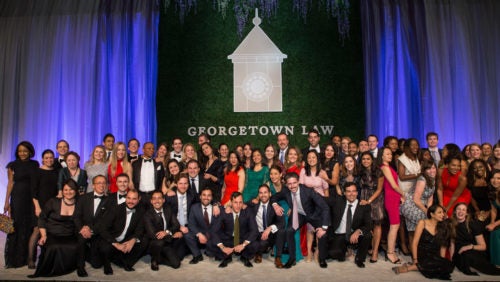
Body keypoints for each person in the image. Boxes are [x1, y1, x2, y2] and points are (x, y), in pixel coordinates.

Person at [271, 172, 330, 268]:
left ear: (298, 182)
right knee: (289, 230)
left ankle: (322, 259)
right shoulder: (285, 191)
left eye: (294, 183)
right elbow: (274, 197)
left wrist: (324, 227)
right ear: (286, 184)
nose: (292, 186)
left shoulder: (308, 191)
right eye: (289, 184)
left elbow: (325, 207)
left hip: (313, 214)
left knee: (322, 234)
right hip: (299, 214)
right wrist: (275, 205)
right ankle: (292, 258)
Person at [28, 179, 80, 278]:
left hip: (69, 234)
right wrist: (43, 235)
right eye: (65, 190)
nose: (68, 192)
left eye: (71, 189)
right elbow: (42, 218)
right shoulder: (53, 201)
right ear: (62, 191)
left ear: (76, 190)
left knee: (75, 246)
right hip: (52, 233)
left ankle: (67, 268)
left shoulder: (80, 203)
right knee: (53, 246)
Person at [392, 204, 454, 280]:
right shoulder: (422, 223)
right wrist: (415, 259)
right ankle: (412, 267)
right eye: (439, 212)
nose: (442, 215)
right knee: (432, 265)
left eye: (443, 212)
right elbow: (415, 243)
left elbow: (443, 246)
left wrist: (441, 260)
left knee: (447, 266)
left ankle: (416, 267)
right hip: (422, 252)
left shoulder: (442, 226)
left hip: (434, 254)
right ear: (432, 214)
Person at [4, 141, 39, 268]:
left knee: (29, 225)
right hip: (17, 197)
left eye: (25, 151)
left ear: (30, 151)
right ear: (17, 152)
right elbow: (10, 184)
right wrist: (6, 201)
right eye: (20, 151)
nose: (22, 153)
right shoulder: (12, 165)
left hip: (30, 198)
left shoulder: (35, 164)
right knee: (16, 226)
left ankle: (27, 258)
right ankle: (15, 259)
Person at [97, 189, 148, 275]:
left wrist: (133, 240)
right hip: (111, 238)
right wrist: (116, 244)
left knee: (144, 240)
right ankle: (107, 264)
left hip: (126, 238)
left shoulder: (141, 211)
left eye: (134, 199)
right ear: (126, 198)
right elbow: (102, 228)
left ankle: (126, 261)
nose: (131, 201)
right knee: (104, 249)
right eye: (129, 198)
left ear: (139, 199)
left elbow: (140, 229)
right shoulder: (115, 209)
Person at [328, 182, 372, 268]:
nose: (351, 194)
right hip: (340, 234)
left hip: (354, 233)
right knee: (333, 254)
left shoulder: (364, 205)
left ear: (357, 192)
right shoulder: (338, 201)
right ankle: (346, 250)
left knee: (368, 235)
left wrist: (358, 231)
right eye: (348, 191)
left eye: (353, 191)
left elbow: (369, 224)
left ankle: (359, 259)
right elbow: (322, 200)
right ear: (344, 193)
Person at [74, 174, 110, 276]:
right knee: (81, 240)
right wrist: (82, 228)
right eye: (99, 183)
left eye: (104, 183)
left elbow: (106, 221)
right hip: (83, 230)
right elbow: (76, 216)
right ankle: (80, 267)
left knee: (97, 264)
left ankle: (90, 253)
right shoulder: (83, 198)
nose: (101, 185)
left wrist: (92, 230)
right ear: (93, 185)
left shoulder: (109, 201)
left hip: (98, 232)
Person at [210, 192, 258, 268]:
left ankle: (244, 257)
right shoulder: (224, 211)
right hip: (228, 239)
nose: (238, 205)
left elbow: (254, 230)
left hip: (242, 239)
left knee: (255, 244)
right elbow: (214, 231)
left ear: (243, 203)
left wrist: (243, 245)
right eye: (235, 202)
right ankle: (227, 256)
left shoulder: (248, 211)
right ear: (231, 202)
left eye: (240, 202)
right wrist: (223, 247)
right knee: (210, 245)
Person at [28, 149, 59, 268]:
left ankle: (46, 259)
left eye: (51, 157)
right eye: (46, 158)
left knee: (49, 231)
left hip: (52, 206)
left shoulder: (56, 172)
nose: (49, 160)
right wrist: (37, 207)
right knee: (37, 230)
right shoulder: (37, 172)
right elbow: (33, 192)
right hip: (39, 205)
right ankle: (31, 259)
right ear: (42, 159)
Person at [451, 202, 500, 276]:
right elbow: (452, 244)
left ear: (467, 213)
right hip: (459, 253)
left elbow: (483, 246)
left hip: (473, 250)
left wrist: (469, 247)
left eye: (463, 210)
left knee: (468, 255)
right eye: (458, 209)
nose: (461, 211)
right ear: (455, 211)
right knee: (461, 258)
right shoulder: (450, 224)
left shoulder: (473, 224)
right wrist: (452, 260)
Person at [401, 160, 436, 254]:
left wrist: (430, 211)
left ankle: (416, 251)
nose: (432, 170)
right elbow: (416, 199)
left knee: (417, 228)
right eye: (428, 168)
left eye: (433, 168)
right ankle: (415, 254)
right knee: (417, 227)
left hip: (420, 205)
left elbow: (430, 199)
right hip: (411, 204)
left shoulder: (433, 179)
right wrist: (426, 211)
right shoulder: (422, 179)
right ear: (424, 170)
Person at [299, 150, 329, 262]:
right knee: (310, 228)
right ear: (307, 159)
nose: (311, 159)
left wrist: (326, 204)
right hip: (308, 204)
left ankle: (317, 251)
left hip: (320, 203)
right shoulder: (303, 171)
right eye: (309, 157)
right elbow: (300, 188)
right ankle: (309, 252)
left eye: (314, 157)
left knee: (319, 228)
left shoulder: (322, 172)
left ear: (317, 159)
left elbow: (326, 190)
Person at [246, 184, 285, 266]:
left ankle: (278, 258)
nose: (263, 195)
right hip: (259, 234)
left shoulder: (275, 206)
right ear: (258, 195)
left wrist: (270, 228)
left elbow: (282, 223)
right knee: (259, 244)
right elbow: (243, 205)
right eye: (260, 193)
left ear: (270, 194)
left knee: (281, 231)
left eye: (265, 192)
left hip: (271, 234)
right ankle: (259, 253)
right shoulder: (254, 204)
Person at [143, 190, 182, 270]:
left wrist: (167, 232)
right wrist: (171, 235)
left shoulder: (168, 209)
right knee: (159, 242)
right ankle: (154, 259)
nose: (157, 201)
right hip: (154, 243)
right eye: (154, 198)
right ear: (151, 201)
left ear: (163, 200)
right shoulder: (147, 214)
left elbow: (176, 224)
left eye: (159, 198)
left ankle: (158, 259)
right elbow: (153, 234)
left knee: (176, 264)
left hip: (166, 243)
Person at [379, 147, 405, 264]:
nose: (390, 155)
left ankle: (391, 250)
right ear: (382, 156)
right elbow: (393, 186)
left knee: (395, 225)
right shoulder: (384, 167)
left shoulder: (389, 167)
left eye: (390, 154)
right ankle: (390, 252)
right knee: (394, 226)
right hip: (390, 198)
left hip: (394, 197)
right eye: (387, 154)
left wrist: (400, 196)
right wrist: (403, 194)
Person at [357, 151, 384, 263]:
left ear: (372, 160)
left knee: (377, 225)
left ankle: (375, 251)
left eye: (368, 159)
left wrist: (369, 201)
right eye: (363, 159)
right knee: (367, 225)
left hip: (375, 200)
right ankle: (369, 247)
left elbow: (379, 189)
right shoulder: (359, 171)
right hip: (363, 199)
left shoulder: (378, 171)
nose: (366, 161)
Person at [185, 186, 220, 264]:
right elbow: (191, 224)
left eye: (209, 195)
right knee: (187, 235)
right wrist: (199, 234)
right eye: (204, 195)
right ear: (200, 196)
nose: (206, 198)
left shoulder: (217, 208)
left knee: (212, 254)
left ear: (212, 197)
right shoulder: (194, 207)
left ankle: (210, 249)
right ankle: (197, 255)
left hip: (212, 234)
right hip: (201, 233)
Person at [165, 175, 196, 260]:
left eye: (185, 183)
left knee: (180, 253)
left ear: (188, 184)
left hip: (187, 226)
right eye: (180, 183)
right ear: (176, 184)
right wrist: (178, 227)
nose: (183, 186)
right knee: (177, 254)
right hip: (174, 226)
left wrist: (215, 204)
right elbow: (167, 216)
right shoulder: (170, 196)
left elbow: (204, 200)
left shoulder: (192, 194)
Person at [466, 159, 492, 229]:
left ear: (485, 167)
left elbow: (494, 198)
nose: (478, 169)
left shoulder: (491, 178)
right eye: (475, 168)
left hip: (491, 208)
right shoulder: (469, 181)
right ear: (472, 170)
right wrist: (477, 210)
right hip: (476, 209)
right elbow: (471, 197)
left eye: (481, 167)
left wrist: (489, 212)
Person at [487, 169, 500, 266]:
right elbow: (494, 210)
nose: (495, 181)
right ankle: (495, 262)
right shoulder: (492, 192)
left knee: (496, 233)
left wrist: (495, 224)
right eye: (493, 178)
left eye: (498, 178)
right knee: (492, 231)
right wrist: (492, 223)